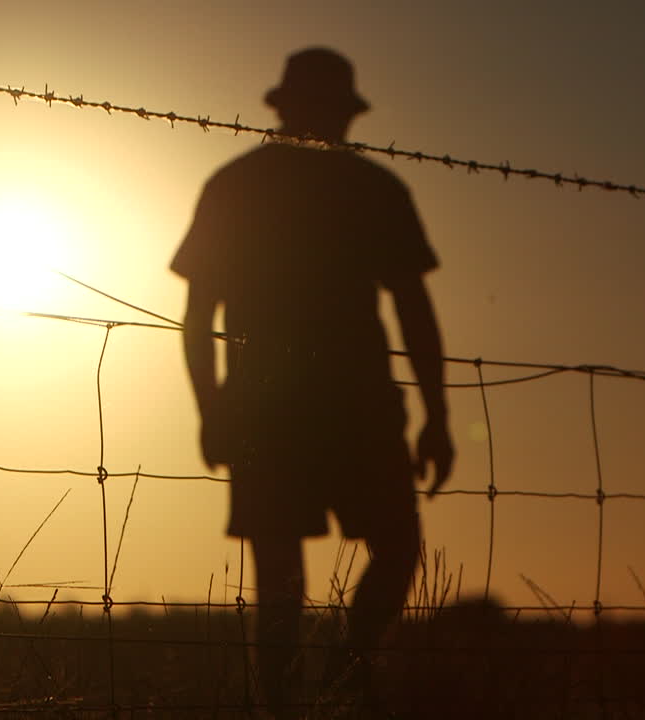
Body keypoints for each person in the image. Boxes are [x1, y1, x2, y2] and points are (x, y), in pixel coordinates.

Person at [171, 47, 454, 717]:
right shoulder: (346, 187)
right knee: (290, 572)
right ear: (295, 108)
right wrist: (211, 409)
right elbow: (199, 312)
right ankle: (318, 689)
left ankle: (336, 677)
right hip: (316, 408)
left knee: (352, 556)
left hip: (320, 408)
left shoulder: (249, 183)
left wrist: (213, 408)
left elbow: (198, 313)